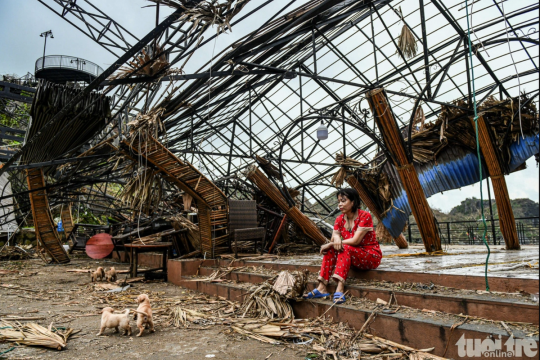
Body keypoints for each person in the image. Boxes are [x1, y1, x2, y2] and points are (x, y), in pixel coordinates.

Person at [304, 188, 382, 304]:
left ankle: (340, 287)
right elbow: (334, 235)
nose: (340, 204)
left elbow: (355, 241)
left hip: (369, 256)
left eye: (343, 201)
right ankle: (322, 287)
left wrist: (331, 243)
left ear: (353, 202)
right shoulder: (339, 219)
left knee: (342, 247)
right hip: (351, 255)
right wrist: (334, 239)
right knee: (333, 248)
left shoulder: (364, 216)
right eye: (339, 201)